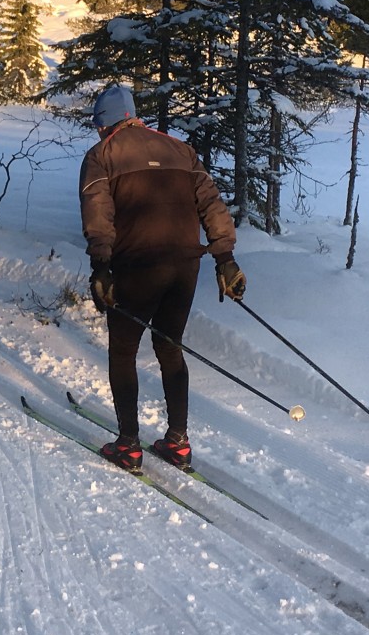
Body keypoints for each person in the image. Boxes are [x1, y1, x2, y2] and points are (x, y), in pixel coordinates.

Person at [78, 83, 245, 471]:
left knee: (123, 350)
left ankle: (128, 445)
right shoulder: (181, 151)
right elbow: (212, 205)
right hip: (185, 266)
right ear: (133, 115)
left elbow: (97, 213)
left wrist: (101, 266)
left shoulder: (100, 155)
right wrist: (226, 259)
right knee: (170, 346)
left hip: (136, 266)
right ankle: (177, 442)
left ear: (105, 124)